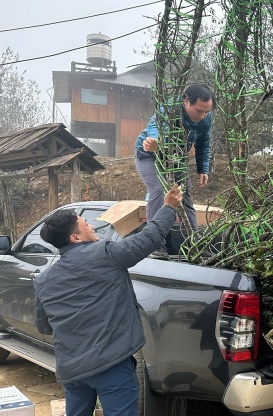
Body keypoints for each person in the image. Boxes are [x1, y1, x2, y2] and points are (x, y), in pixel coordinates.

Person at [34, 185, 183, 416]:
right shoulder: (104, 254)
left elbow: (44, 325)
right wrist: (168, 207)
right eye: (86, 225)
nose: (92, 225)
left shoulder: (43, 280)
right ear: (75, 238)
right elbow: (147, 240)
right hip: (111, 365)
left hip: (73, 370)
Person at [134, 83, 213, 255]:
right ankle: (155, 243)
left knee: (184, 194)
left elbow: (204, 143)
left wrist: (203, 168)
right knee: (159, 190)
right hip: (149, 155)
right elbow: (155, 126)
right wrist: (155, 141)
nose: (203, 115)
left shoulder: (206, 118)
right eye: (199, 110)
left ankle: (195, 242)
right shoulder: (169, 109)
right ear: (186, 102)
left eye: (207, 111)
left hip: (174, 158)